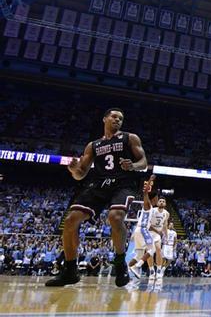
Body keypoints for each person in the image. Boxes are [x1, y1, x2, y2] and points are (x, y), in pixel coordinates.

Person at [46, 108, 148, 287]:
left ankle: (120, 262)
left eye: (121, 119)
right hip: (99, 184)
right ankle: (70, 270)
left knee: (115, 217)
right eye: (114, 117)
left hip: (123, 184)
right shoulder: (93, 145)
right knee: (70, 220)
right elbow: (80, 174)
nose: (118, 120)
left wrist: (132, 165)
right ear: (105, 119)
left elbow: (144, 163)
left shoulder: (130, 138)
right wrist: (73, 169)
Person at [128, 176, 158, 281]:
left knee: (139, 255)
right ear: (154, 198)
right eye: (157, 198)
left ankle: (127, 270)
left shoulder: (151, 208)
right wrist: (150, 180)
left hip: (139, 230)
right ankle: (137, 266)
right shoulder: (148, 205)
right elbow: (145, 192)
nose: (158, 200)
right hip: (142, 230)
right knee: (152, 249)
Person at [146, 197, 169, 281]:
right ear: (157, 203)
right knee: (149, 252)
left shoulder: (166, 213)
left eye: (163, 201)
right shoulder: (152, 210)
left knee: (159, 249)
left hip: (157, 234)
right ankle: (152, 271)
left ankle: (158, 270)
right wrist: (157, 230)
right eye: (160, 201)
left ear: (165, 204)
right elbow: (147, 224)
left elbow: (165, 226)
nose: (162, 202)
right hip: (149, 232)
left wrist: (166, 236)